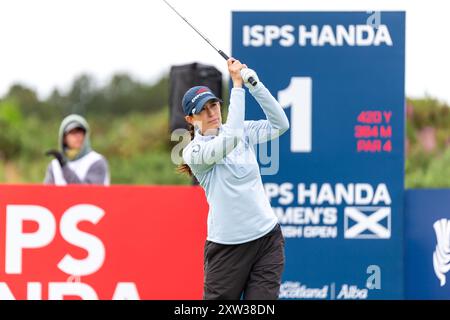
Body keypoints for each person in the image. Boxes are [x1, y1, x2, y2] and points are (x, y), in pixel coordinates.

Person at [178, 58, 290, 300]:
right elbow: (231, 139)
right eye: (203, 110)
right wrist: (237, 85)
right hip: (227, 249)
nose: (212, 113)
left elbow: (281, 124)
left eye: (214, 105)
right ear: (190, 119)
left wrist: (255, 85)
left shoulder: (242, 130)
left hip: (267, 240)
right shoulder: (194, 152)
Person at [44, 114, 110, 185]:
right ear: (64, 138)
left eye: (81, 132)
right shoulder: (55, 165)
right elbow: (46, 193)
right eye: (72, 132)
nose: (78, 136)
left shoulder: (97, 161)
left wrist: (64, 166)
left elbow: (88, 193)